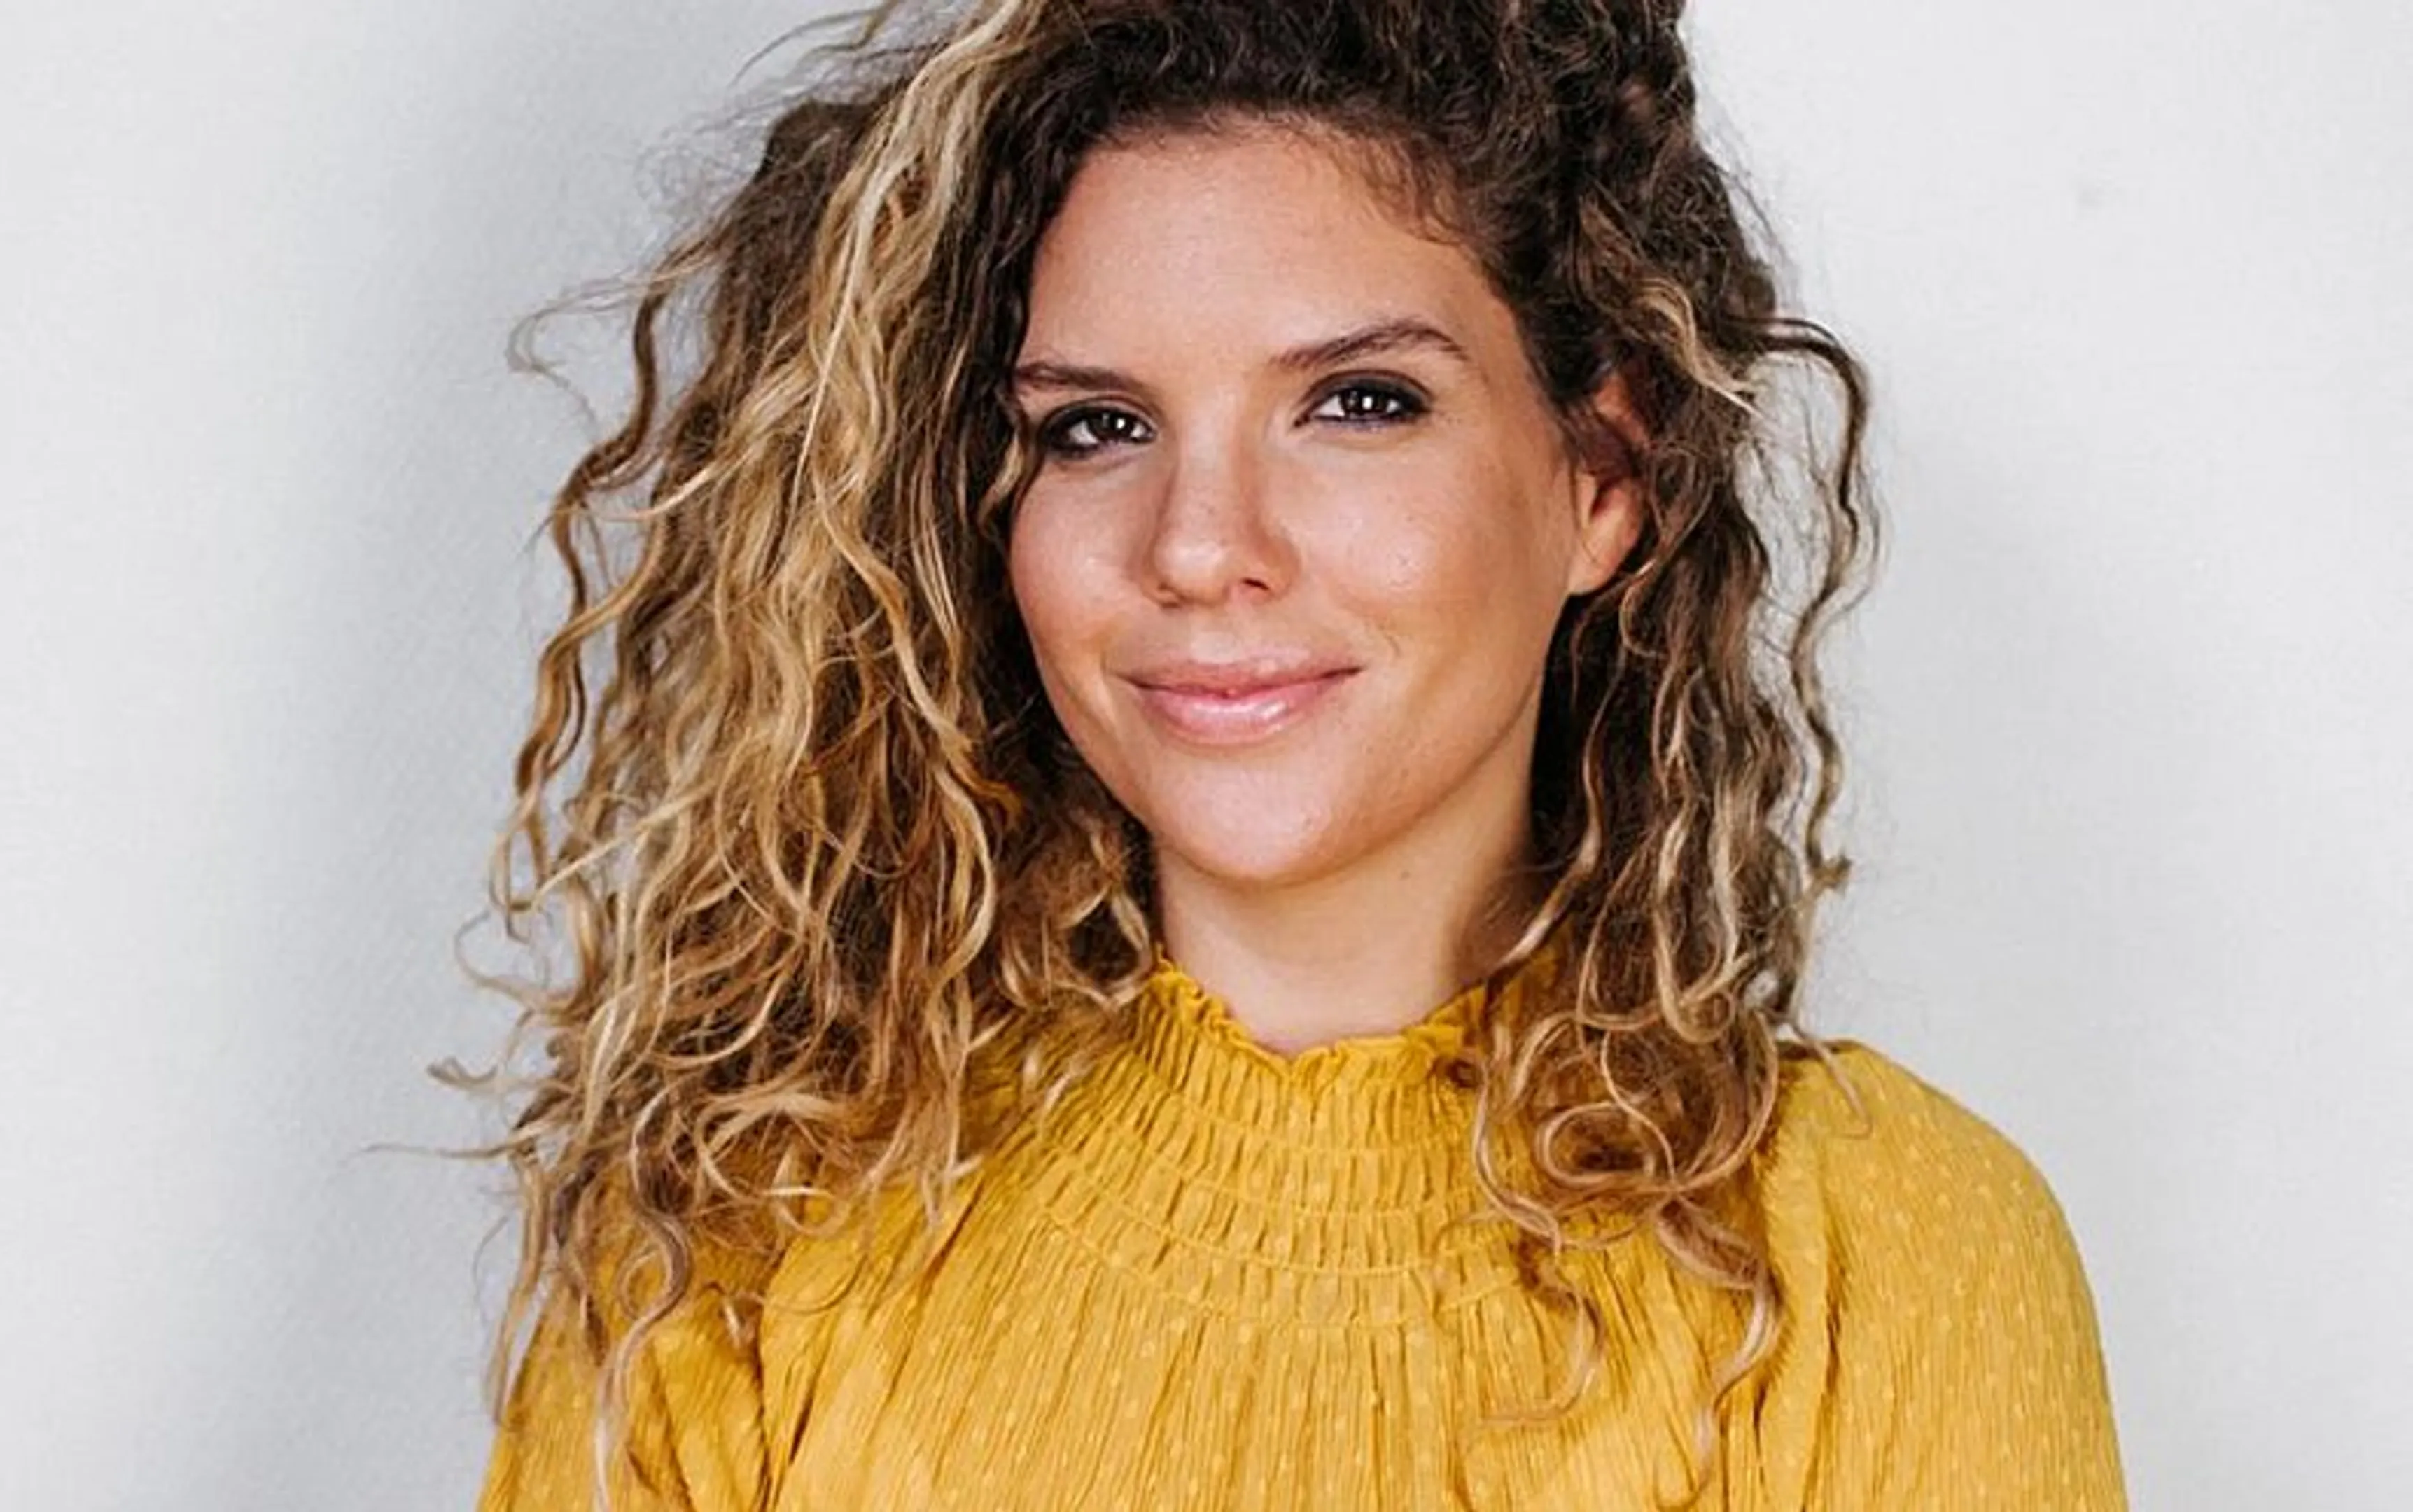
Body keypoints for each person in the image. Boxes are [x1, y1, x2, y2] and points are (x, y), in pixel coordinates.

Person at [472, 0, 2125, 1506]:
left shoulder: (1881, 1253)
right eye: (1098, 428)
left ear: (1603, 477)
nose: (1201, 546)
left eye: (1359, 403)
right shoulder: (743, 1230)